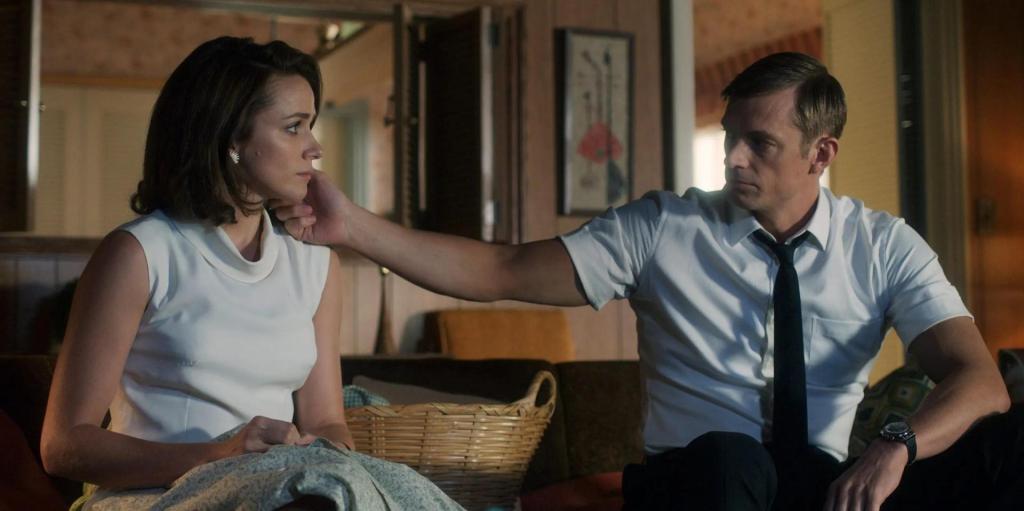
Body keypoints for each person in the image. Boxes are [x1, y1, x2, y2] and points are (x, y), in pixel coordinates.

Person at [272, 52, 1024, 511]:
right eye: (731, 138)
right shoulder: (663, 228)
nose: (733, 159)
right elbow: (501, 268)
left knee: (1010, 442)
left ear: (820, 154)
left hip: (824, 484)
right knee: (732, 457)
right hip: (697, 482)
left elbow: (979, 380)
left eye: (759, 144)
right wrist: (354, 227)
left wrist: (894, 445)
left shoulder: (882, 245)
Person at [40, 36, 463, 510]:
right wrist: (218, 455)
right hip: (157, 496)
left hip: (285, 489)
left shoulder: (315, 262)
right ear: (232, 141)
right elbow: (64, 446)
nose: (314, 147)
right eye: (293, 127)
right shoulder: (140, 254)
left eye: (310, 126)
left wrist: (325, 459)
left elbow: (325, 422)